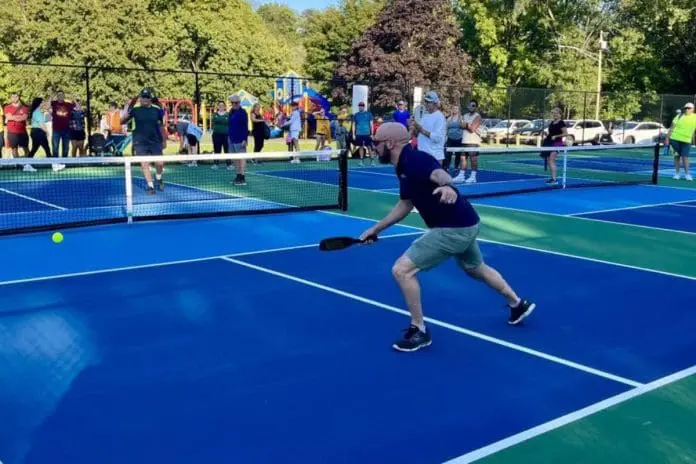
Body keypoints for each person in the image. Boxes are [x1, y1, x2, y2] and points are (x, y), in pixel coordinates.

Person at [360, 123, 536, 352]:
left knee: (402, 271)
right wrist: (376, 229)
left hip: (452, 228)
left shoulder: (415, 160)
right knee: (475, 267)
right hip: (467, 222)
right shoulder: (402, 167)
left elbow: (439, 173)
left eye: (377, 143)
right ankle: (517, 304)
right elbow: (405, 204)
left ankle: (419, 330)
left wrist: (448, 187)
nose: (374, 147)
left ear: (390, 143)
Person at [121, 88, 167, 195]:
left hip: (155, 141)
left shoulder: (156, 110)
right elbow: (122, 121)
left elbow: (161, 125)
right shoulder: (135, 110)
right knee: (144, 164)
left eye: (147, 97)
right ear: (140, 99)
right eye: (143, 97)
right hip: (140, 142)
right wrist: (127, 111)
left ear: (150, 99)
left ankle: (159, 177)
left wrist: (164, 140)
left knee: (159, 163)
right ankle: (150, 186)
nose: (145, 99)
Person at [409, 90, 446, 164]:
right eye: (425, 101)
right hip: (422, 155)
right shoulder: (425, 116)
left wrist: (420, 129)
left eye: (428, 102)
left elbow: (437, 138)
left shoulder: (440, 117)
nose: (426, 104)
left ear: (435, 103)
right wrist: (413, 127)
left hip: (434, 157)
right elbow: (418, 135)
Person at [453, 99, 482, 183]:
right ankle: (461, 176)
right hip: (464, 140)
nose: (472, 107)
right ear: (468, 106)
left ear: (476, 107)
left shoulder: (477, 116)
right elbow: (461, 125)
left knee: (473, 159)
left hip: (473, 141)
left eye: (474, 105)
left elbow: (472, 129)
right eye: (470, 105)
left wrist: (466, 125)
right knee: (463, 158)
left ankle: (473, 177)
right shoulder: (465, 115)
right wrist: (466, 125)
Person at [666, 102, 696, 181]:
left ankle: (687, 174)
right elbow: (671, 128)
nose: (687, 109)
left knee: (685, 157)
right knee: (677, 156)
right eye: (686, 108)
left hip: (686, 141)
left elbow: (693, 131)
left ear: (693, 109)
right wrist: (667, 139)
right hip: (675, 139)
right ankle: (677, 174)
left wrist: (693, 140)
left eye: (689, 108)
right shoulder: (679, 116)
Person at [541, 108, 567, 185]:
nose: (555, 115)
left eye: (556, 113)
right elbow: (551, 134)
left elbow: (565, 133)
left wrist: (556, 136)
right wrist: (546, 134)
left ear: (560, 114)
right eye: (553, 113)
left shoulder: (561, 123)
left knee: (552, 160)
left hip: (557, 143)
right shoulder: (552, 122)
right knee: (549, 161)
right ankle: (552, 178)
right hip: (549, 142)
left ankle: (554, 180)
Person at [227, 94, 249, 185]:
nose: (234, 104)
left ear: (239, 103)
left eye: (236, 103)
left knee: (241, 158)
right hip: (231, 139)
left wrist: (245, 139)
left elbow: (245, 126)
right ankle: (237, 175)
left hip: (240, 139)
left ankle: (242, 177)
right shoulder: (231, 112)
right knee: (235, 159)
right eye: (232, 103)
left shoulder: (243, 112)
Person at [3, 93, 30, 158]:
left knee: (26, 149)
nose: (14, 98)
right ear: (10, 98)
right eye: (13, 97)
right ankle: (17, 165)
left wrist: (13, 117)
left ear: (18, 97)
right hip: (12, 132)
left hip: (22, 132)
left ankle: (27, 164)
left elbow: (24, 117)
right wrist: (19, 117)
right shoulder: (7, 107)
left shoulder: (24, 108)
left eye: (16, 96)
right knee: (14, 149)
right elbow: (8, 117)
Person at [51, 90, 75, 159]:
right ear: (57, 96)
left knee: (66, 148)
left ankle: (64, 163)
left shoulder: (68, 104)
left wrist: (73, 99)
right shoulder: (54, 103)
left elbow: (79, 107)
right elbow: (46, 106)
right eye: (59, 95)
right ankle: (55, 164)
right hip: (56, 130)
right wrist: (51, 97)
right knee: (55, 148)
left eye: (61, 95)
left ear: (64, 96)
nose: (60, 96)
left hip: (66, 130)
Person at [211, 100, 231, 170]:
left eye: (222, 105)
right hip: (216, 135)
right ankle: (216, 164)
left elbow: (229, 123)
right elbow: (213, 122)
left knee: (227, 150)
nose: (221, 107)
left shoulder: (228, 114)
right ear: (218, 107)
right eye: (220, 105)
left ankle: (229, 164)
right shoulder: (214, 114)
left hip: (226, 135)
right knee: (217, 150)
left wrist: (220, 121)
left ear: (225, 107)